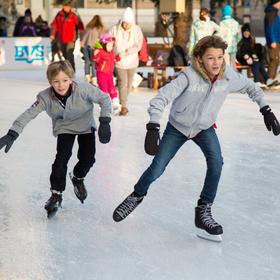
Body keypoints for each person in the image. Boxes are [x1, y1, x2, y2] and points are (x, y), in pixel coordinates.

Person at [112, 36, 280, 242]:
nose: (216, 62)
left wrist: (266, 109)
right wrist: (153, 126)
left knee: (216, 163)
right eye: (210, 58)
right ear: (200, 59)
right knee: (157, 168)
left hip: (204, 128)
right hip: (177, 127)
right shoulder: (188, 76)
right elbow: (161, 98)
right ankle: (137, 195)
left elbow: (252, 88)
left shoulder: (228, 77)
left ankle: (203, 210)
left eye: (219, 57)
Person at [0, 60, 112, 218]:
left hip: (85, 126)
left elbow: (105, 99)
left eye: (65, 80)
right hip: (64, 128)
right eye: (56, 82)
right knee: (61, 160)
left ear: (71, 78)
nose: (61, 85)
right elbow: (28, 114)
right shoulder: (45, 97)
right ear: (50, 82)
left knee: (88, 159)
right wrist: (13, 132)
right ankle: (56, 193)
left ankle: (78, 177)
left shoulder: (83, 89)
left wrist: (105, 120)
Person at [109, 7, 143, 116]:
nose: (126, 25)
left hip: (132, 61)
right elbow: (107, 40)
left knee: (128, 85)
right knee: (122, 83)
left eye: (128, 23)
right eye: (124, 22)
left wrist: (127, 52)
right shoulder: (115, 29)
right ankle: (123, 106)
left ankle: (121, 101)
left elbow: (138, 45)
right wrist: (109, 48)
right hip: (119, 62)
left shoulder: (136, 30)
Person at [236, 23, 277, 88]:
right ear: (243, 33)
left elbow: (253, 50)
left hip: (251, 59)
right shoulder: (241, 42)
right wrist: (246, 57)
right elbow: (239, 53)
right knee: (256, 64)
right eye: (245, 32)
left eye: (248, 31)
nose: (246, 33)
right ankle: (256, 81)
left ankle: (268, 80)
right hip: (243, 59)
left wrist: (254, 55)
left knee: (259, 63)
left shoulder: (251, 40)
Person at [50, 1, 84, 71]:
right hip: (61, 39)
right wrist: (52, 35)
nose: (67, 8)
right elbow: (54, 25)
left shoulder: (73, 16)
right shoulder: (59, 15)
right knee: (65, 55)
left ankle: (72, 70)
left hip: (71, 39)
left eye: (68, 6)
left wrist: (81, 38)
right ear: (63, 7)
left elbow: (80, 26)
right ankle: (68, 69)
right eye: (65, 6)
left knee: (69, 54)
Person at [92, 33, 121, 114]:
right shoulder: (100, 52)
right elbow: (96, 60)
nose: (110, 48)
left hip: (109, 73)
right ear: (104, 45)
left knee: (112, 88)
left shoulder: (111, 52)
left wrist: (118, 57)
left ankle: (115, 103)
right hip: (102, 73)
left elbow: (113, 60)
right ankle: (104, 106)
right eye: (108, 46)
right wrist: (95, 55)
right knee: (103, 90)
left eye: (112, 46)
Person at [80, 15, 104, 84]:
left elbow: (84, 37)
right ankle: (94, 78)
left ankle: (87, 77)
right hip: (94, 48)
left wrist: (82, 46)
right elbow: (101, 39)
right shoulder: (99, 28)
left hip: (85, 46)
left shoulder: (88, 27)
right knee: (94, 63)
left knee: (87, 62)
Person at [264, 0, 280, 80]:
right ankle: (269, 79)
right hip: (274, 41)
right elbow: (269, 28)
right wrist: (272, 40)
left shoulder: (275, 12)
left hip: (277, 39)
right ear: (275, 3)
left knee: (276, 60)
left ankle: (272, 79)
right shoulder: (271, 13)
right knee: (274, 60)